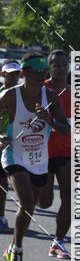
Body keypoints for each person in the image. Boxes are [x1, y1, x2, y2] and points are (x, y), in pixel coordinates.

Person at [0, 52, 70, 261]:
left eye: (44, 71)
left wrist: (48, 118)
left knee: (34, 206)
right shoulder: (10, 96)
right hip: (14, 155)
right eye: (38, 71)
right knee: (28, 203)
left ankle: (12, 245)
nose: (43, 75)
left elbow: (66, 129)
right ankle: (18, 250)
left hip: (39, 159)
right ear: (24, 73)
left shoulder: (50, 96)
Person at [37, 49, 72, 258]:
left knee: (69, 198)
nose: (60, 69)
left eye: (63, 65)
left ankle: (58, 241)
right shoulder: (42, 91)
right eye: (55, 65)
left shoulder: (73, 94)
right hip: (42, 152)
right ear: (49, 68)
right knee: (45, 202)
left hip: (66, 153)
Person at [0, 60, 22, 234]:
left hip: (19, 145)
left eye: (16, 73)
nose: (13, 76)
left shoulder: (26, 95)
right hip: (1, 142)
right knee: (1, 182)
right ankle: (1, 218)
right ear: (3, 75)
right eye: (10, 73)